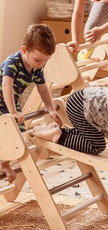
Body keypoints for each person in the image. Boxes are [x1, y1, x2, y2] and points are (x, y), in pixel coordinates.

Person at [0, 24, 63, 183]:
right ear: (24, 50)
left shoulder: (36, 68)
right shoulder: (12, 63)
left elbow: (42, 88)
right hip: (5, 101)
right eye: (37, 59)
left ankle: (3, 163)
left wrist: (50, 109)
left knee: (19, 137)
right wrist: (12, 111)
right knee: (6, 135)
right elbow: (6, 85)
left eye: (45, 61)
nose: (40, 64)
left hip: (12, 102)